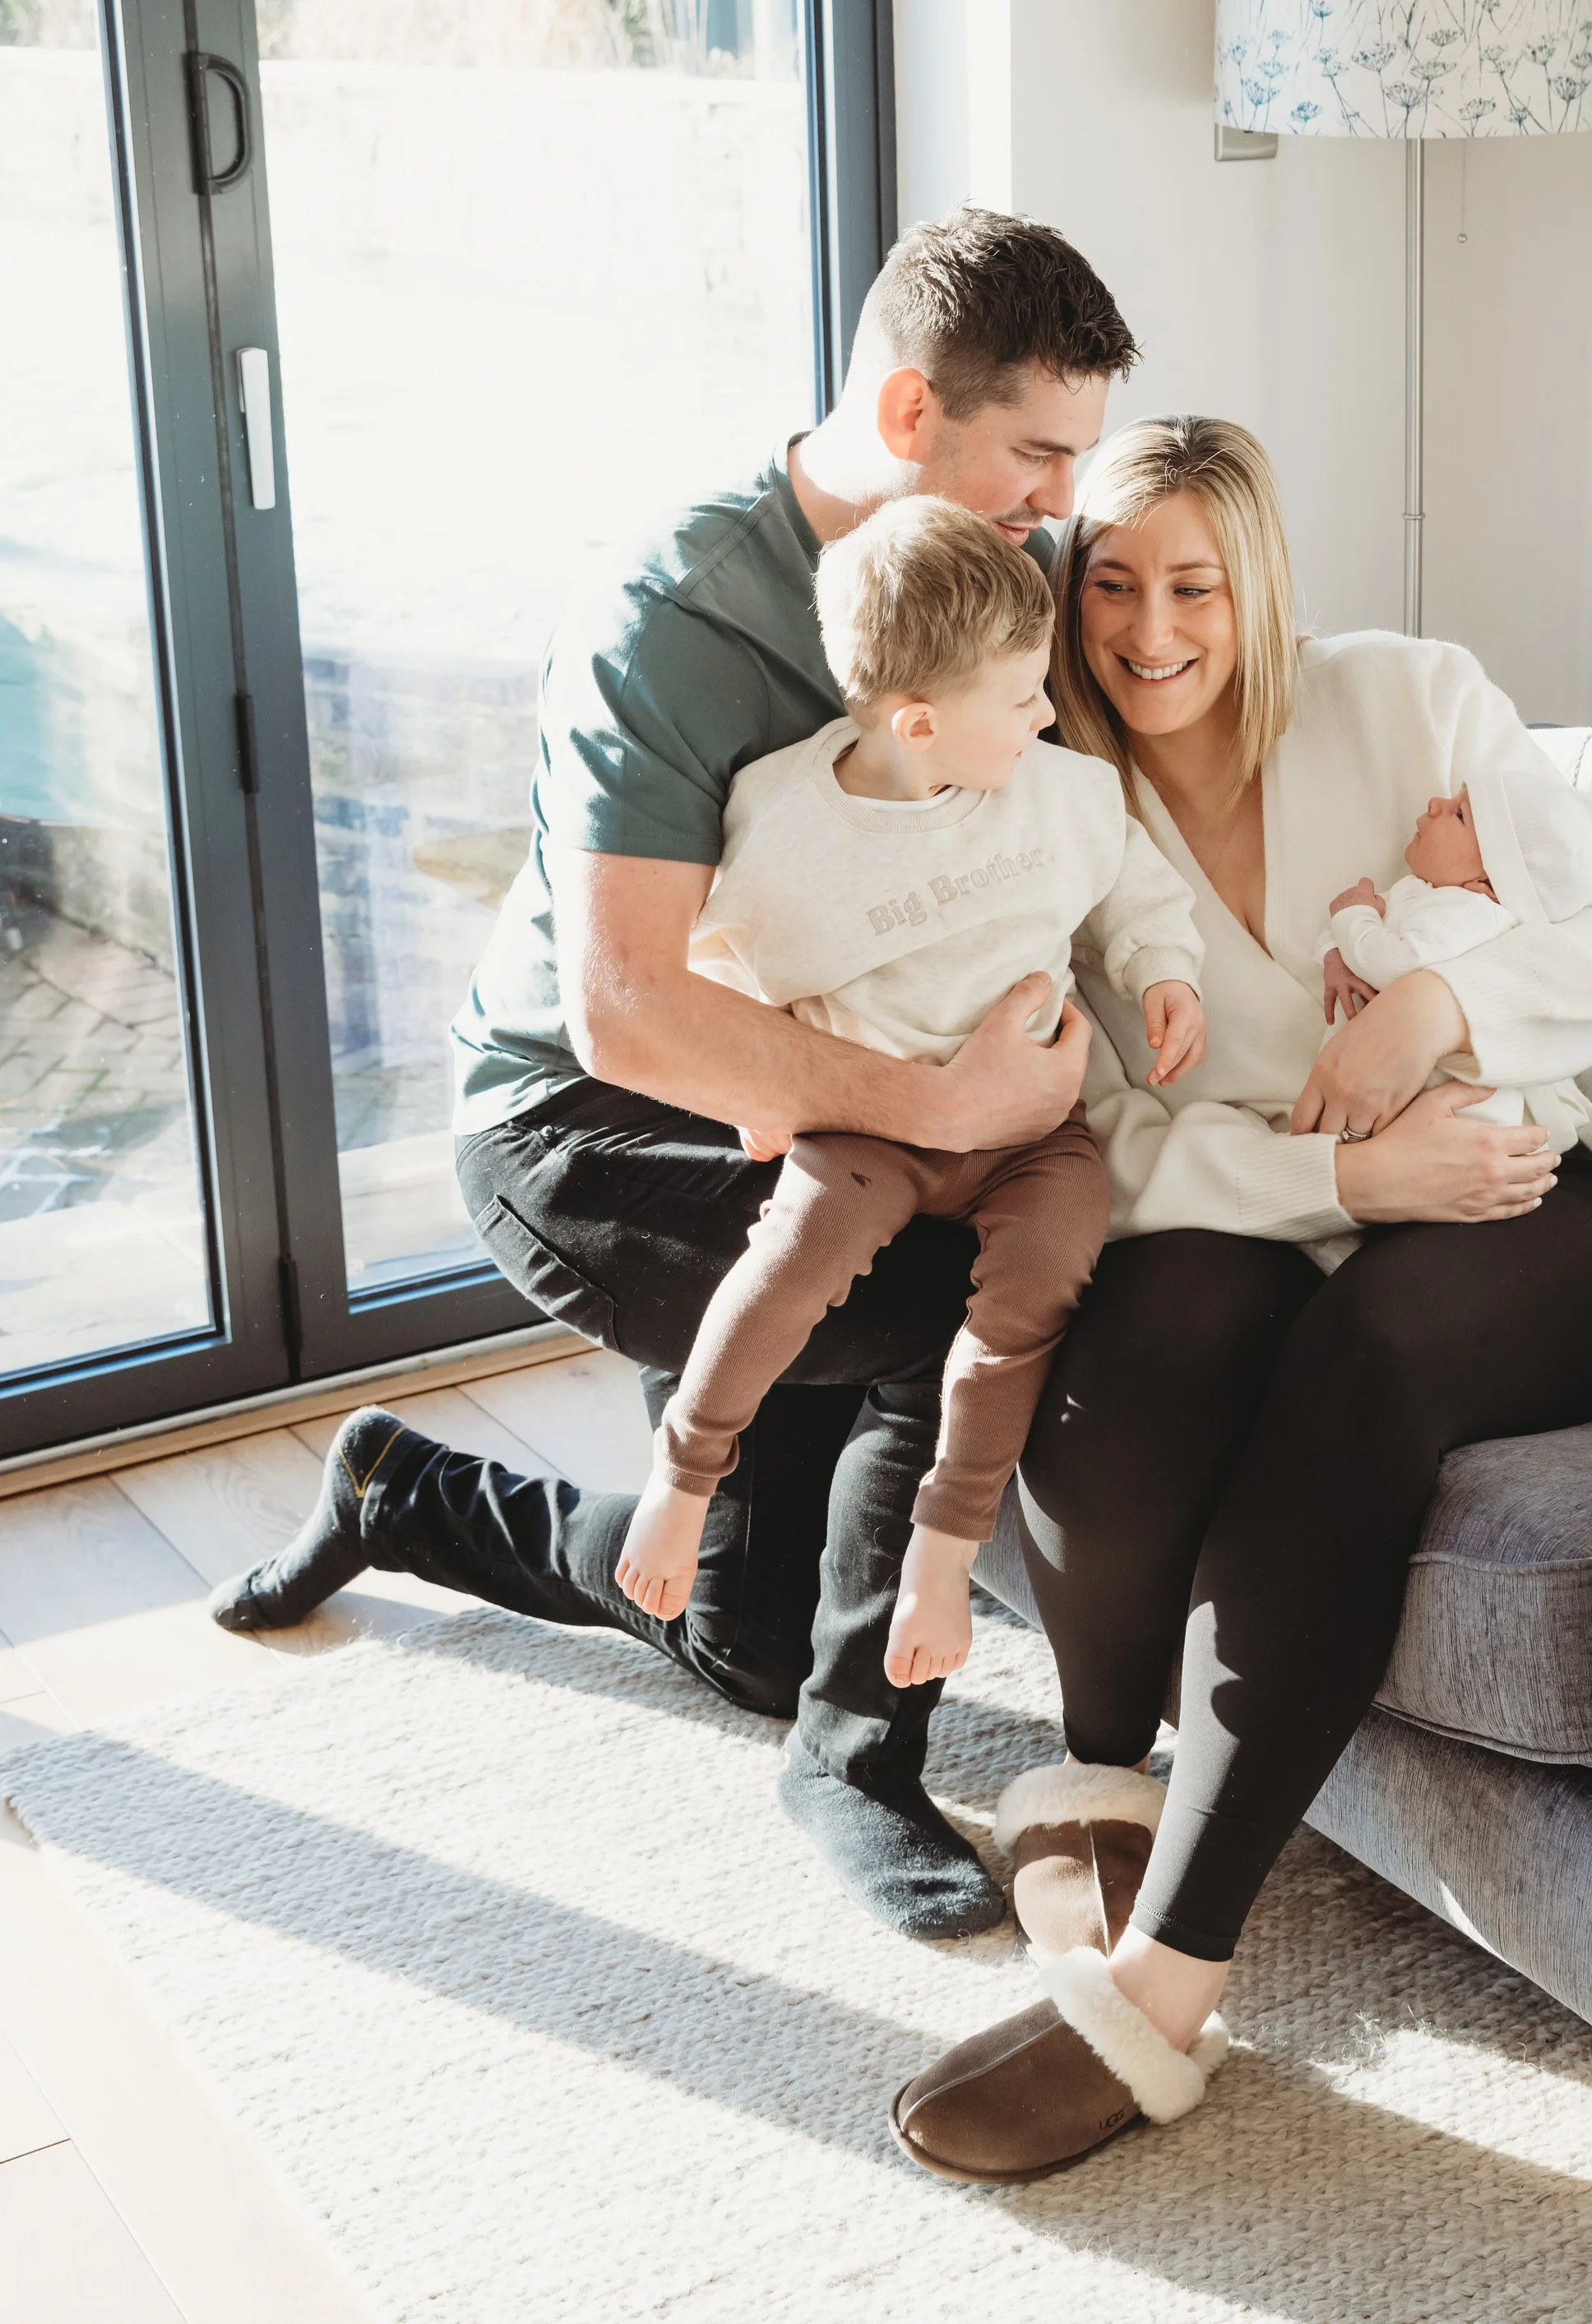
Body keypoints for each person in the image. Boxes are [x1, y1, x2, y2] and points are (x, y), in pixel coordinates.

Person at [208, 208, 1140, 1941]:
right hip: (584, 1114)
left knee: (741, 1637)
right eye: (1034, 451)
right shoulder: (679, 614)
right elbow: (627, 1011)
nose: (1054, 498)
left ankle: (401, 1490)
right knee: (941, 1285)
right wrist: (945, 1108)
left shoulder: (1005, 581)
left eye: (1071, 460)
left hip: (822, 1092)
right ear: (912, 404)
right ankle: (857, 1759)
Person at [888, 416, 1592, 2183]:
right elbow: (1112, 1136)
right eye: (1109, 581)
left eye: (1194, 583)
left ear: (1258, 584)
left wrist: (1427, 1023)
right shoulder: (1049, 809)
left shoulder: (1411, 697)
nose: (1149, 629)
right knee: (1143, 1324)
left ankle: (1162, 1988)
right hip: (1284, 1203)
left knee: (1366, 1344)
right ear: (1062, 591)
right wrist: (1337, 1180)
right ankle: (1096, 1784)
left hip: (1514, 1194)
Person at [616, 494, 1206, 1695]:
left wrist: (1166, 974)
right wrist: (757, 1075)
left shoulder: (1060, 793)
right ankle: (683, 1478)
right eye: (1022, 697)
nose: (1050, 712)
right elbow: (712, 959)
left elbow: (1136, 888)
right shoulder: (785, 830)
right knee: (788, 1262)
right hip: (871, 1122)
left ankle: (944, 1547)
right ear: (919, 723)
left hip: (1035, 1132)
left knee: (1039, 1286)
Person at [1317, 770, 1592, 1206]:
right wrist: (1334, 954)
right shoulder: (1425, 893)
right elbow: (1364, 945)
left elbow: (1394, 965)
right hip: (1388, 1100)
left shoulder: (1470, 913)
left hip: (1461, 1119)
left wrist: (1353, 916)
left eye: (1459, 814)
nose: (1436, 803)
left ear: (1488, 885)